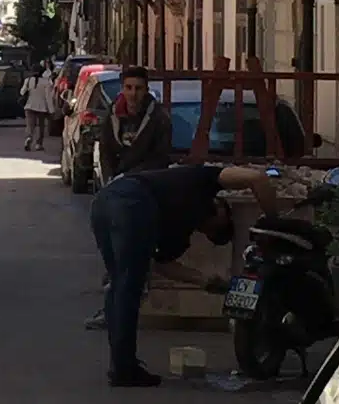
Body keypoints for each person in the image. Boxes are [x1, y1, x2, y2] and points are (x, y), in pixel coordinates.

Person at [90, 164, 278, 388]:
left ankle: (121, 365)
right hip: (132, 200)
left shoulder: (180, 234)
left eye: (211, 233)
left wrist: (205, 281)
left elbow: (162, 264)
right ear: (221, 207)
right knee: (127, 287)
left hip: (104, 202)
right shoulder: (204, 181)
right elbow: (257, 178)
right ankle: (123, 368)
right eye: (218, 227)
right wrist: (275, 223)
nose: (208, 228)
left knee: (121, 284)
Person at [85, 67, 172, 332]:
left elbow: (160, 158)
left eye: (139, 89)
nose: (133, 94)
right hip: (114, 192)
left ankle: (125, 312)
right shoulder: (112, 116)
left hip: (142, 192)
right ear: (123, 89)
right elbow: (106, 152)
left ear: (146, 90)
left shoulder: (159, 119)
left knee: (133, 253)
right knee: (111, 252)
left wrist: (131, 179)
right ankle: (113, 308)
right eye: (129, 88)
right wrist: (111, 180)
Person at [20, 63, 55, 151]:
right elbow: (48, 97)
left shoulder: (28, 80)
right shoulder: (46, 82)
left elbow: (22, 92)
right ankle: (38, 144)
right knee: (41, 126)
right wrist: (51, 110)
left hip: (29, 106)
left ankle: (29, 138)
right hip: (41, 108)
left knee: (30, 125)